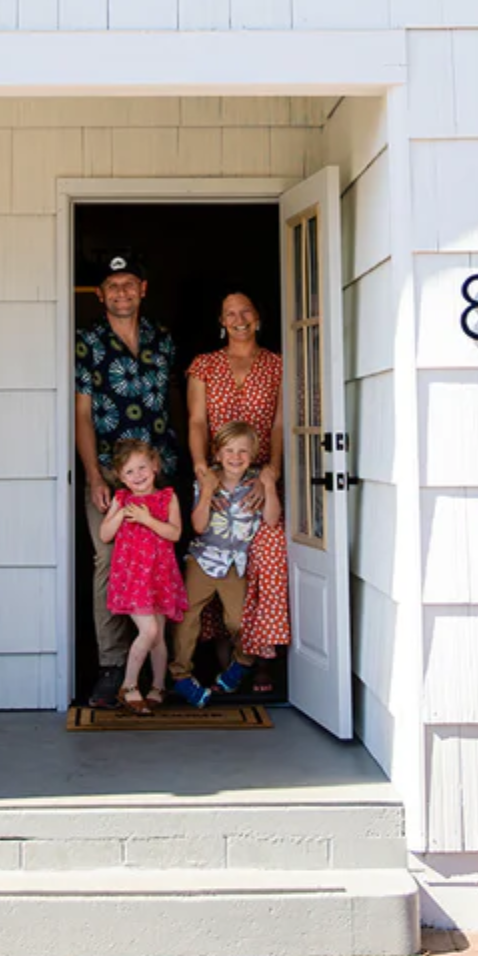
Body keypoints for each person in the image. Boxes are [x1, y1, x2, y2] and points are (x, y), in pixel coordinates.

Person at [75, 252, 181, 708]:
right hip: (111, 478)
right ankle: (113, 666)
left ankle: (161, 667)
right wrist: (94, 474)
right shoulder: (87, 342)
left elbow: (173, 401)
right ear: (100, 295)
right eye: (112, 286)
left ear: (143, 289)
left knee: (160, 562)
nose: (122, 292)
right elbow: (81, 414)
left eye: (129, 284)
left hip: (160, 479)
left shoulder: (162, 339)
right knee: (109, 566)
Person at [186, 292, 290, 692]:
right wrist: (202, 470)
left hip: (260, 476)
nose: (239, 318)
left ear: (259, 317)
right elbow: (197, 420)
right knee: (213, 554)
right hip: (217, 474)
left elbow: (280, 424)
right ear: (221, 321)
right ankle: (222, 656)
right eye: (230, 312)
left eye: (246, 310)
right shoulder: (205, 365)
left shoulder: (278, 364)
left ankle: (261, 657)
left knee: (266, 556)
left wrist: (272, 470)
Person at [170, 421, 274, 708]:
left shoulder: (255, 485)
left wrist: (269, 484)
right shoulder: (206, 482)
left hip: (234, 564)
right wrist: (206, 492)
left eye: (243, 451)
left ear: (253, 455)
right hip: (203, 559)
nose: (236, 457)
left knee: (239, 620)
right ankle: (180, 676)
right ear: (217, 454)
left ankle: (242, 663)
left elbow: (273, 519)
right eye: (229, 450)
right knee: (186, 617)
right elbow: (199, 526)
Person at [99, 438, 186, 715]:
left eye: (142, 468)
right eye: (129, 472)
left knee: (158, 636)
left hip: (159, 576)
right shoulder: (122, 499)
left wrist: (148, 520)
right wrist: (122, 513)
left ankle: (158, 686)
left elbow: (174, 533)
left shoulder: (167, 497)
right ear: (120, 478)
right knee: (147, 630)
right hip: (134, 577)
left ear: (155, 466)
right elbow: (105, 535)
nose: (137, 476)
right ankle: (129, 685)